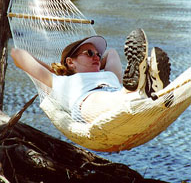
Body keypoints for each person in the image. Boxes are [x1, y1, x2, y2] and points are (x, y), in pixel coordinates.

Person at [11, 29, 171, 123]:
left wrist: (92, 62)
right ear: (70, 62)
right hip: (87, 102)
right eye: (89, 53)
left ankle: (142, 91)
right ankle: (143, 91)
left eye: (97, 54)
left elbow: (111, 53)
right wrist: (57, 70)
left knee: (122, 94)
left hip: (118, 94)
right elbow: (17, 54)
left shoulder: (109, 75)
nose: (97, 56)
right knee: (107, 99)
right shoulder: (60, 82)